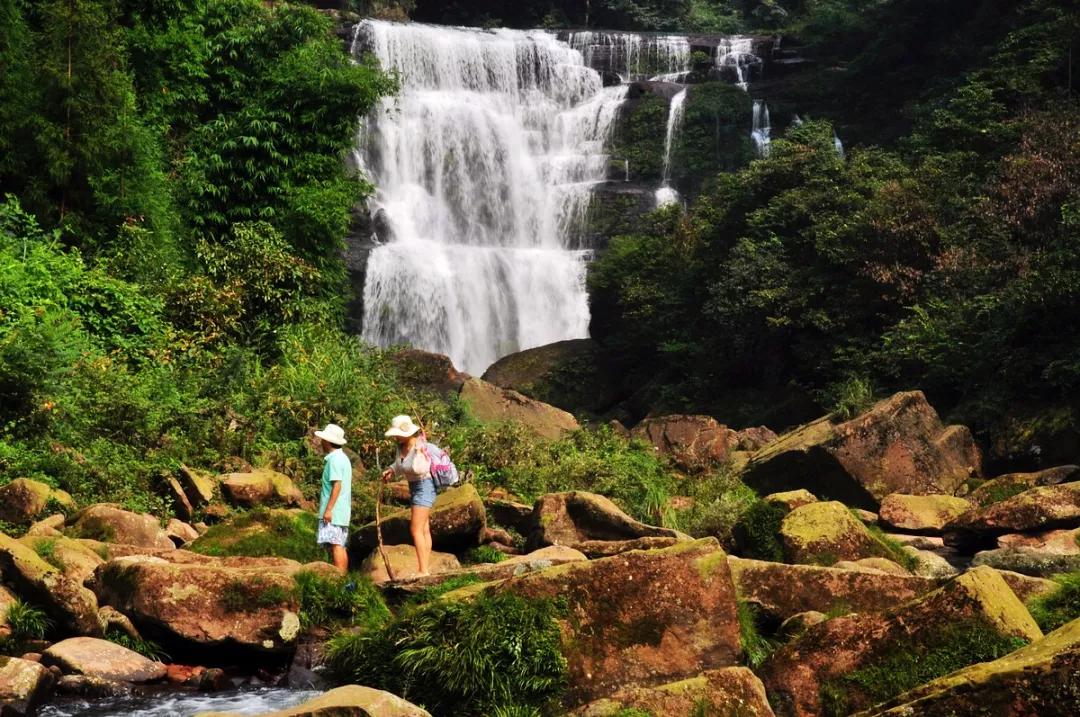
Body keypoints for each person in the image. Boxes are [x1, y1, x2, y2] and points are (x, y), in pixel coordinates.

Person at [381, 414, 434, 576]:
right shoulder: (401, 447)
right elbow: (399, 465)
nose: (395, 437)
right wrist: (391, 470)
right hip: (414, 487)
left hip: (425, 486)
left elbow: (420, 469)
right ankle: (425, 566)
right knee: (424, 529)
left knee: (416, 529)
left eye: (397, 433)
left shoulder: (420, 446)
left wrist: (418, 452)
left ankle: (423, 570)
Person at [314, 423, 352, 575]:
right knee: (339, 545)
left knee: (336, 545)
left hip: (334, 512)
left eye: (323, 439)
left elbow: (337, 485)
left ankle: (339, 579)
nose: (321, 442)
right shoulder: (343, 458)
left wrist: (328, 509)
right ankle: (343, 578)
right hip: (341, 511)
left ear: (328, 442)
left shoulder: (334, 460)